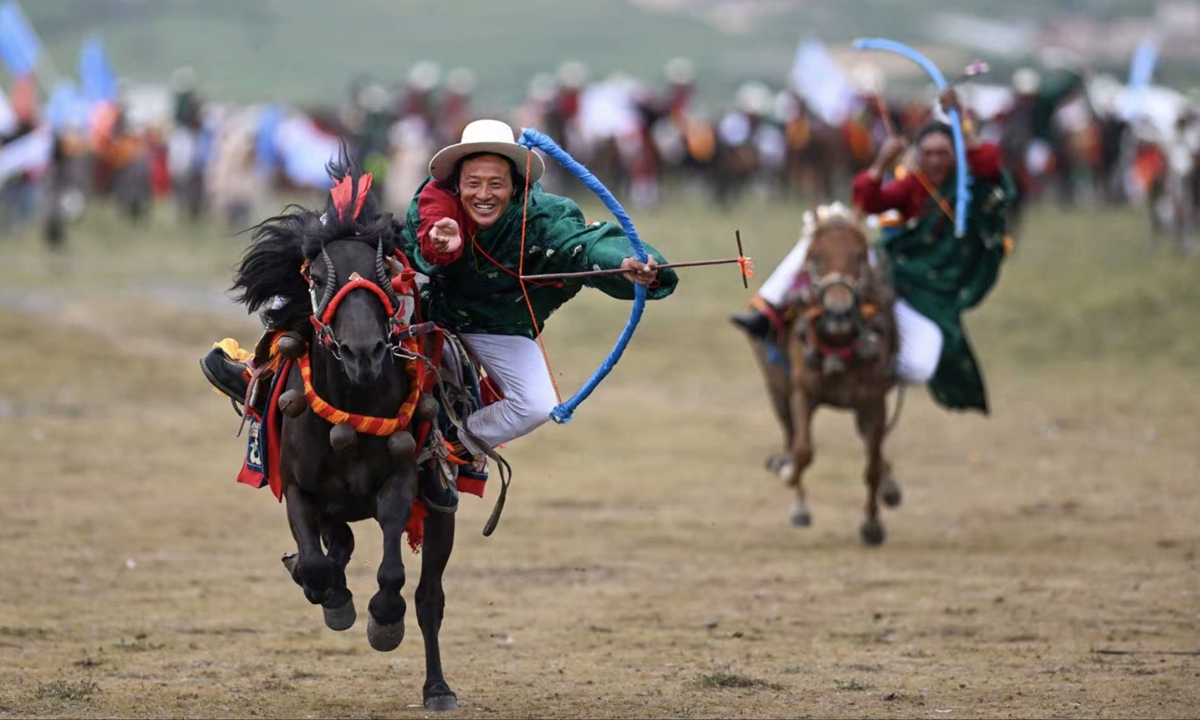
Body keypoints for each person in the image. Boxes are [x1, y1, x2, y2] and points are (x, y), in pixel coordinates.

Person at [399, 118, 678, 455]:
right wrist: (440, 244)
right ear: (456, 184)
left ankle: (444, 446)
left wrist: (623, 263)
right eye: (473, 183)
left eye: (496, 184)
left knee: (535, 405)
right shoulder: (432, 204)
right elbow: (415, 251)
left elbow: (585, 243)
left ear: (516, 186)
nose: (484, 195)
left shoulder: (544, 217)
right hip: (424, 312)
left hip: (498, 323)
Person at [730, 89, 1015, 414]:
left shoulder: (969, 185)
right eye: (928, 153)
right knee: (826, 226)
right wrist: (882, 163)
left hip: (933, 295)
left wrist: (961, 123)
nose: (935, 160)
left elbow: (990, 165)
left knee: (918, 367)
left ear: (957, 155)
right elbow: (865, 202)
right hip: (893, 268)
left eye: (943, 153)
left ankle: (869, 378)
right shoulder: (914, 184)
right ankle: (767, 307)